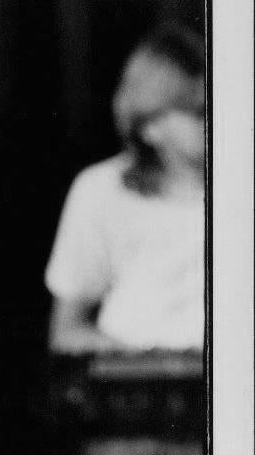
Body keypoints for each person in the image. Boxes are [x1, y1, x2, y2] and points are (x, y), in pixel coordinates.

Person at [45, 23, 207, 354]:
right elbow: (67, 332)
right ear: (150, 127)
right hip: (135, 385)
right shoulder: (100, 190)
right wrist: (134, 360)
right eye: (201, 112)